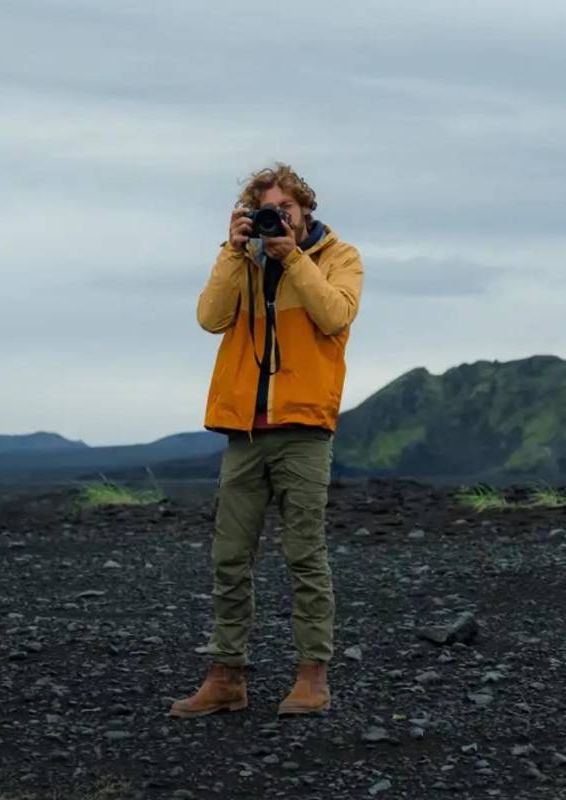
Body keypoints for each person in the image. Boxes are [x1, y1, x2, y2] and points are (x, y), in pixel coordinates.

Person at [169, 163, 364, 718]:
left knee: (305, 555)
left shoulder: (340, 258)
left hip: (303, 429)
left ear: (305, 210)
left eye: (286, 209)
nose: (276, 219)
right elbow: (210, 318)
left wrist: (291, 257)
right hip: (245, 430)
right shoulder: (242, 260)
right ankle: (226, 677)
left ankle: (312, 679)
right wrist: (233, 252)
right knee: (229, 557)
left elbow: (335, 315)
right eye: (265, 211)